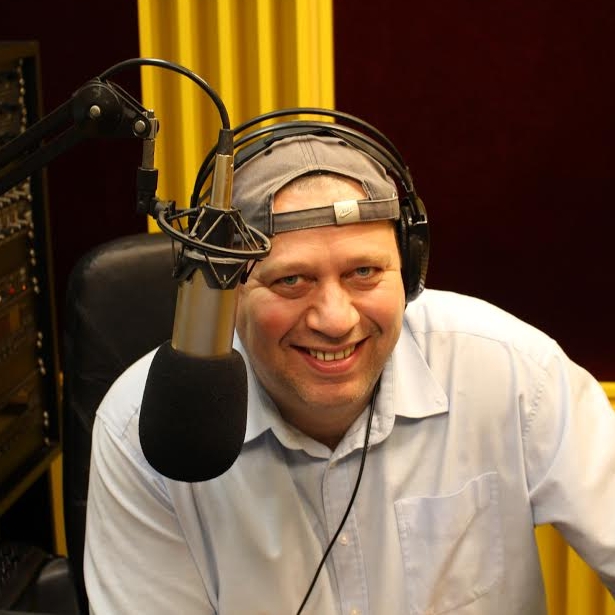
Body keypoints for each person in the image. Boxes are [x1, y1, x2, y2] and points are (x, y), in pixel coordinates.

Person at [84, 128, 615, 615]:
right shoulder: (142, 430)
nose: (336, 320)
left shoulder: (513, 371)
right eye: (292, 281)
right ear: (225, 292)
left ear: (409, 268)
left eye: (364, 271)